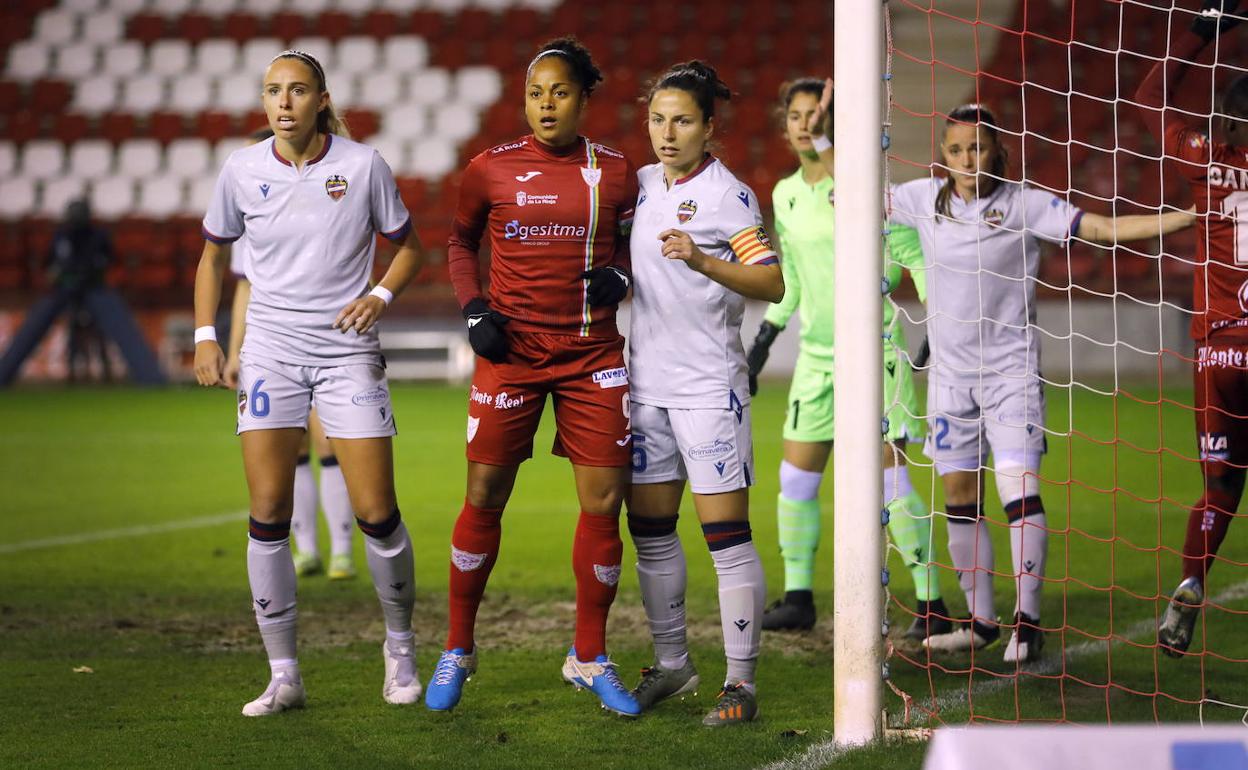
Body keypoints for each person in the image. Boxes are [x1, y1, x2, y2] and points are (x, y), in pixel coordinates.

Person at [882, 103, 1195, 663]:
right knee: (957, 498)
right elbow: (850, 198)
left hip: (1011, 374)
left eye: (977, 147)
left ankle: (1028, 622)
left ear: (998, 150)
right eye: (955, 149)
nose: (966, 158)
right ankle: (981, 623)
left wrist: (1183, 218)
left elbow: (1099, 228)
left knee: (1016, 491)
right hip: (951, 381)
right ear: (944, 154)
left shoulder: (1023, 204)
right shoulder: (921, 199)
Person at [192, 49, 427, 715]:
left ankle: (401, 649)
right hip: (269, 351)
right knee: (268, 511)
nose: (284, 102)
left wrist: (379, 296)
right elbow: (212, 259)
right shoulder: (240, 170)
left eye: (298, 90)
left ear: (322, 100)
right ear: (264, 102)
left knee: (377, 511)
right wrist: (209, 337)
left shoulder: (362, 166)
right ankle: (284, 674)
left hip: (346, 351)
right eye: (273, 91)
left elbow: (410, 247)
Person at [427, 37, 640, 716]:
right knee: (485, 493)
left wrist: (624, 274)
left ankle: (588, 654)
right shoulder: (488, 169)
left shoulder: (617, 170)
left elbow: (637, 245)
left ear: (584, 99)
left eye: (560, 92)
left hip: (591, 356)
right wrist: (472, 311)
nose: (546, 104)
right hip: (509, 354)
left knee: (604, 504)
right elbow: (460, 242)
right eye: (535, 93)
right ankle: (458, 646)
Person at [745, 78, 951, 639]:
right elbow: (792, 278)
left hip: (876, 353)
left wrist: (936, 322)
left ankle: (933, 603)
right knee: (796, 478)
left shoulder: (868, 188)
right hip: (815, 358)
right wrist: (764, 338)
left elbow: (915, 259)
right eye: (797, 115)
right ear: (784, 124)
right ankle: (799, 597)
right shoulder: (786, 195)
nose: (806, 124)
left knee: (889, 481)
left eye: (817, 115)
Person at [624, 61, 784, 726]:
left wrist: (702, 259)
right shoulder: (639, 186)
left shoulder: (729, 197)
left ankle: (741, 685)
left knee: (725, 536)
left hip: (708, 390)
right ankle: (672, 666)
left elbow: (771, 282)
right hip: (645, 389)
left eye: (682, 120)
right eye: (658, 118)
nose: (667, 131)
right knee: (652, 532)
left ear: (708, 127)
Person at [1135, 0, 1246, 658]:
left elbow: (1148, 97)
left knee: (1219, 487)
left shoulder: (1205, 160)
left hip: (1220, 354)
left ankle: (1189, 584)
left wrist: (1201, 34)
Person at [223, 127, 356, 582]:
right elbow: (245, 286)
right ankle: (307, 550)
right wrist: (235, 349)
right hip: (271, 344)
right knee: (293, 448)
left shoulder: (324, 199)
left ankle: (342, 551)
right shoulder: (249, 219)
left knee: (326, 441)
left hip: (328, 343)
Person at [47, 198, 114, 382]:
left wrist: (92, 271)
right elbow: (51, 261)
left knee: (99, 331)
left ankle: (105, 371)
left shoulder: (98, 235)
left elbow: (109, 258)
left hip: (94, 289)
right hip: (68, 290)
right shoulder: (61, 236)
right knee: (73, 331)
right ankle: (73, 372)